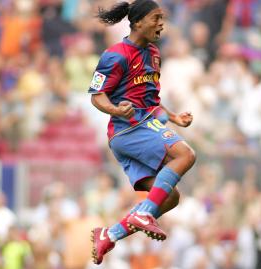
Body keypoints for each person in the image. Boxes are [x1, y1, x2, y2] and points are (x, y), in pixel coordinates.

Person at [88, 0, 196, 265]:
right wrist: (115, 109)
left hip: (141, 126)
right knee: (185, 155)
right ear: (137, 22)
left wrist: (172, 117)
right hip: (128, 129)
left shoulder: (154, 54)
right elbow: (96, 96)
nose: (161, 23)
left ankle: (109, 235)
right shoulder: (115, 55)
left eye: (163, 18)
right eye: (156, 18)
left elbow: (150, 99)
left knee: (170, 197)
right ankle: (143, 213)